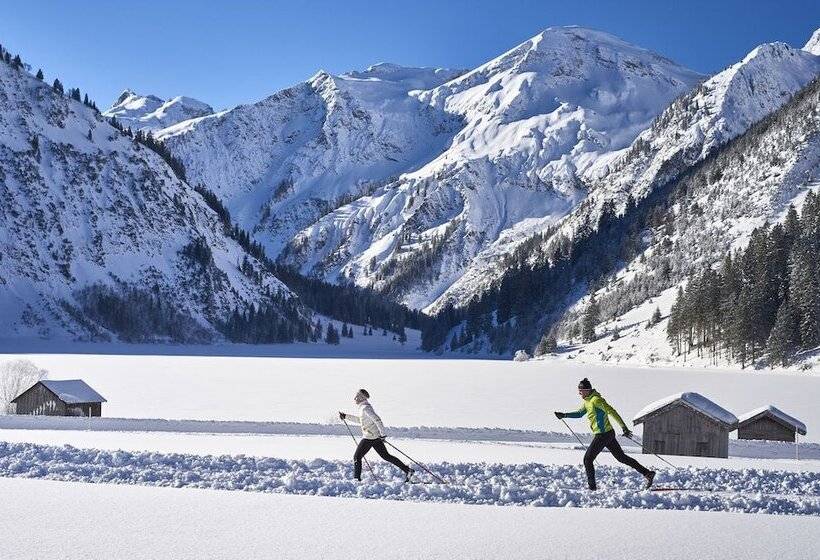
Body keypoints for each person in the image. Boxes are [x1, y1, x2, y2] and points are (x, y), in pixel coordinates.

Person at [554, 378, 655, 490]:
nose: (579, 393)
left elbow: (612, 411)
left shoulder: (596, 400)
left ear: (587, 390)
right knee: (621, 458)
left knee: (587, 459)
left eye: (581, 391)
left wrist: (624, 427)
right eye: (579, 391)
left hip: (603, 435)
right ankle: (647, 473)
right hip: (607, 434)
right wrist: (564, 415)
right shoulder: (588, 401)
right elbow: (579, 413)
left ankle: (592, 488)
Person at [339, 389, 414, 482]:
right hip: (375, 437)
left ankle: (356, 479)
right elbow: (361, 420)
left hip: (369, 437)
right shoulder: (364, 408)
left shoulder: (366, 408)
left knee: (357, 457)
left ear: (362, 398)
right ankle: (408, 470)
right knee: (386, 456)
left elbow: (377, 420)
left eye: (357, 396)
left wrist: (383, 434)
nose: (355, 398)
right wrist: (346, 416)